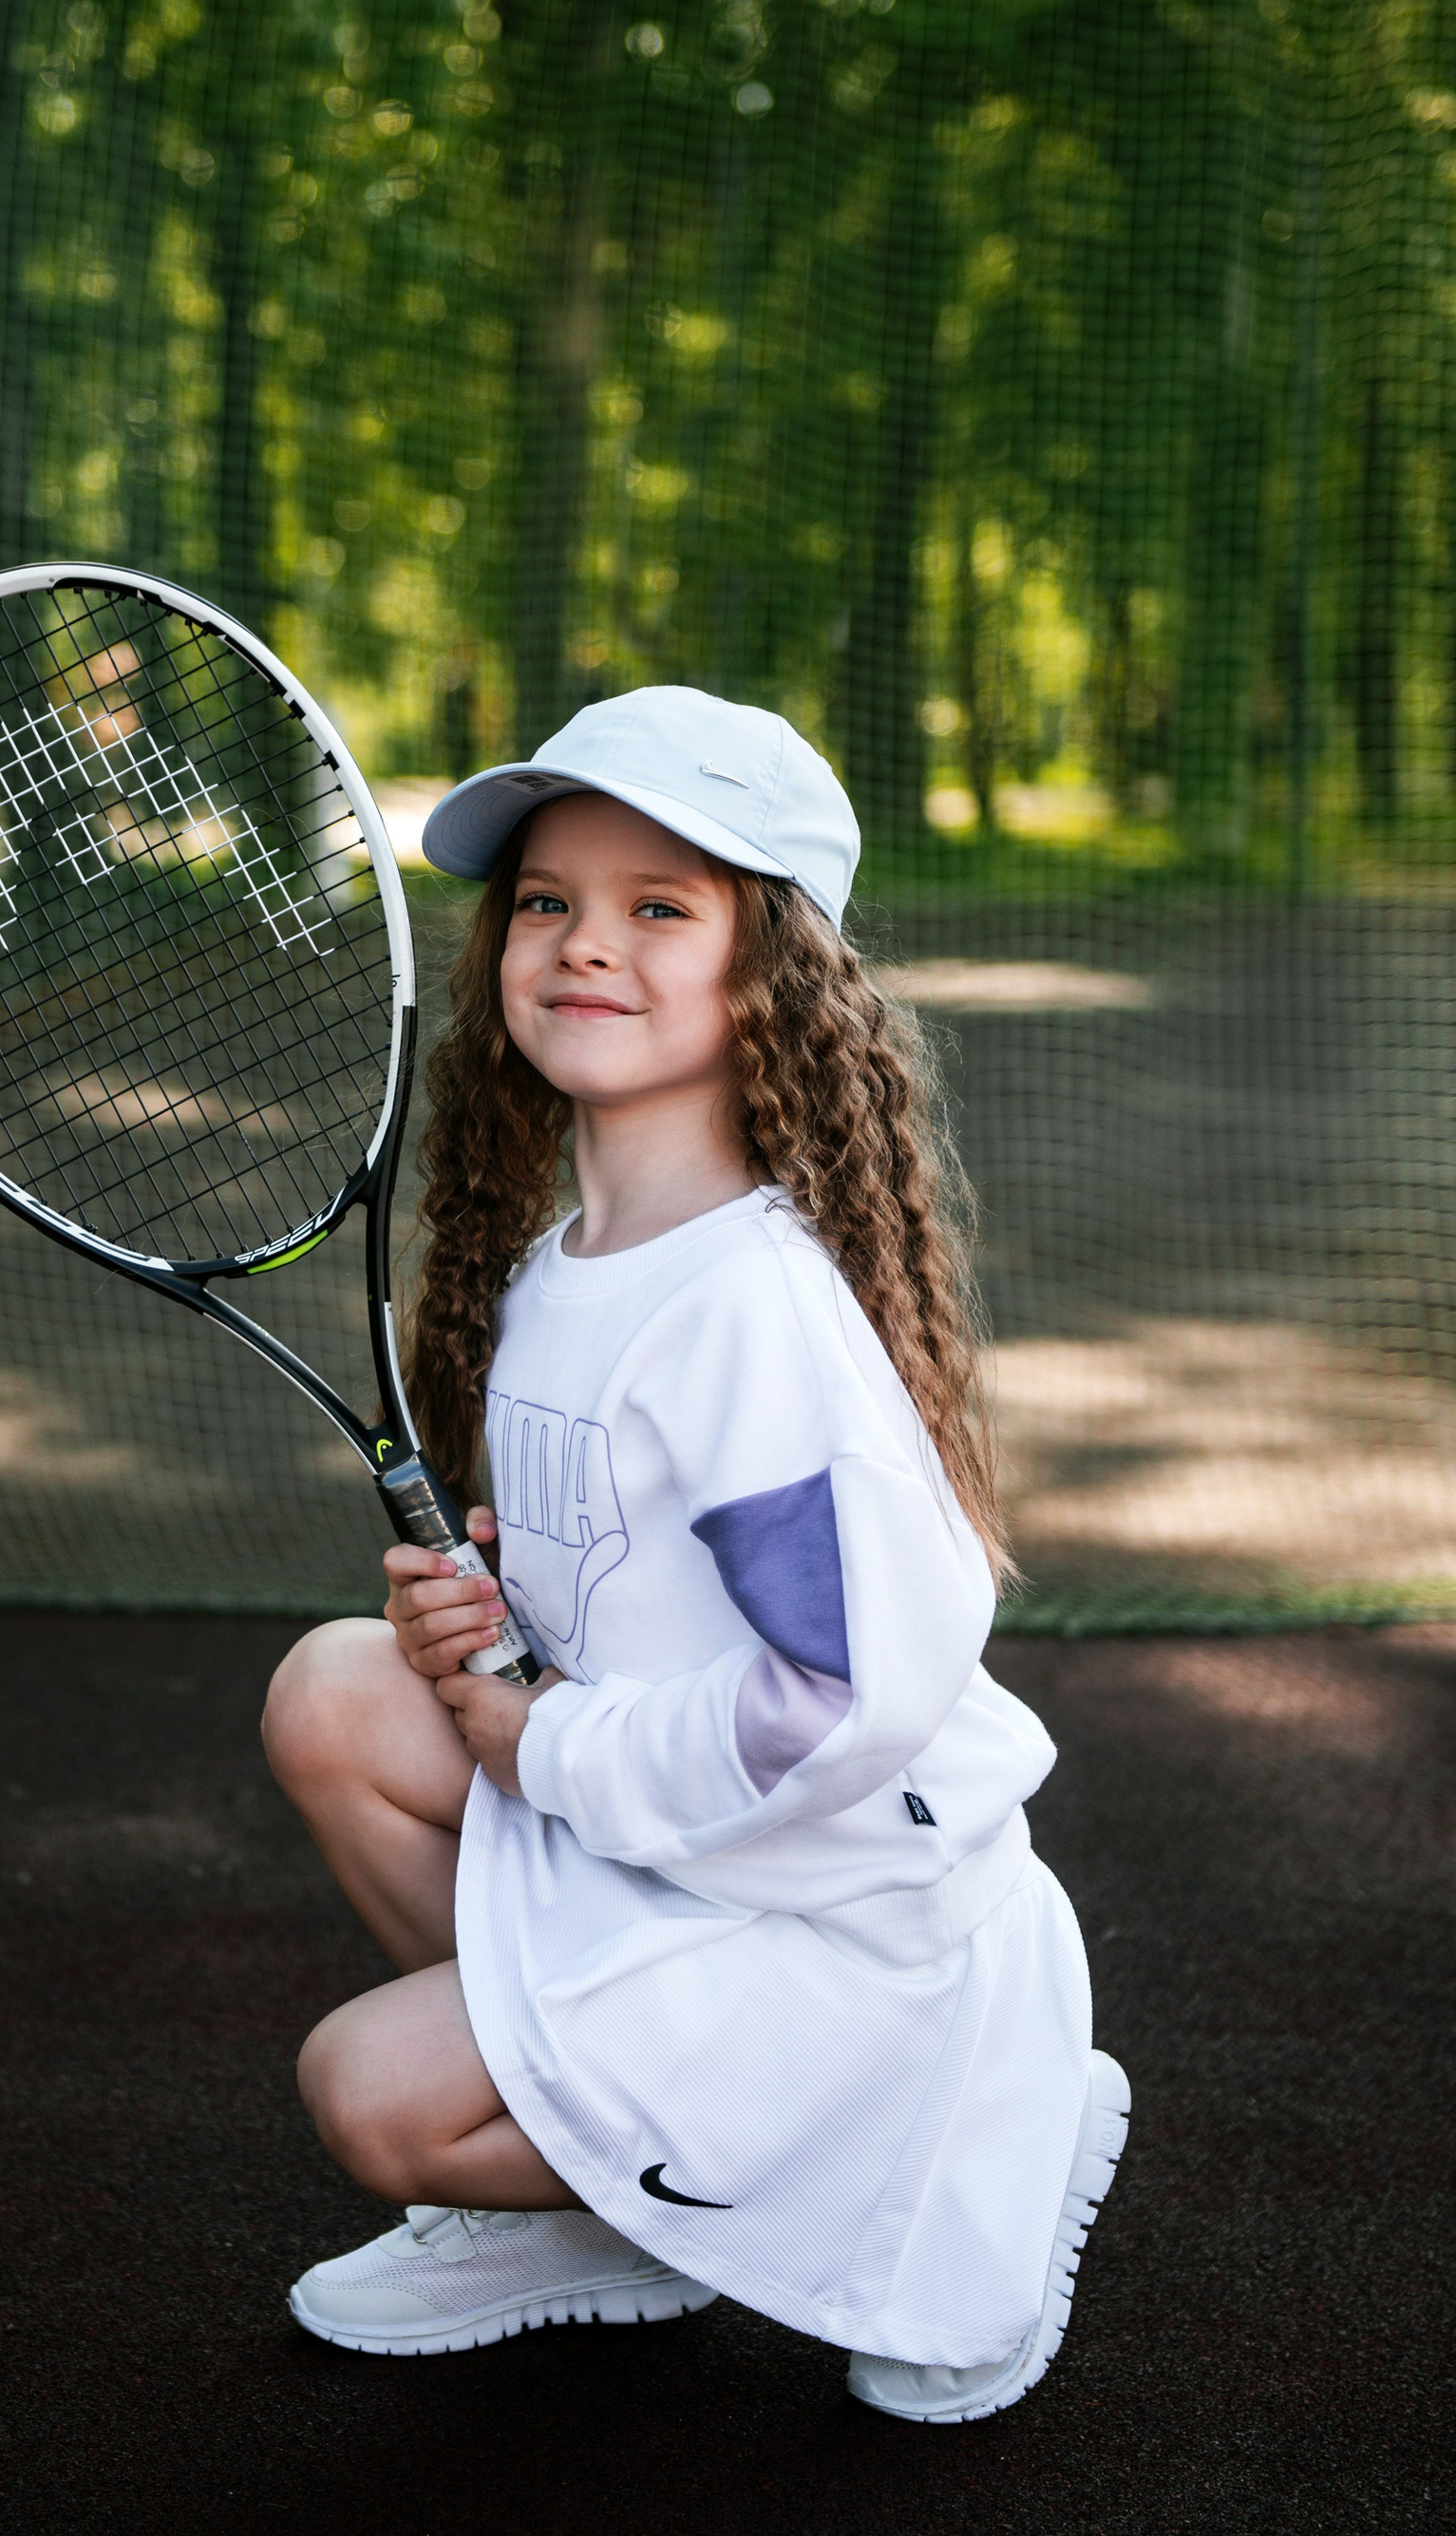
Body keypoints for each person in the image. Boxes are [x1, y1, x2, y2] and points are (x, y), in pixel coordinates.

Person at [261, 686, 1128, 2424]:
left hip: (841, 1916)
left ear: (772, 972)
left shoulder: (752, 1311)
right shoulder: (555, 1268)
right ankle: (619, 2204)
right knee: (336, 1694)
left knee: (368, 2091)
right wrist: (496, 1622)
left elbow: (846, 1694)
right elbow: (633, 1596)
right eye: (548, 900)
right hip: (672, 1849)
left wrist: (541, 1739)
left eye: (661, 904)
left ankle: (968, 2113)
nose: (586, 942)